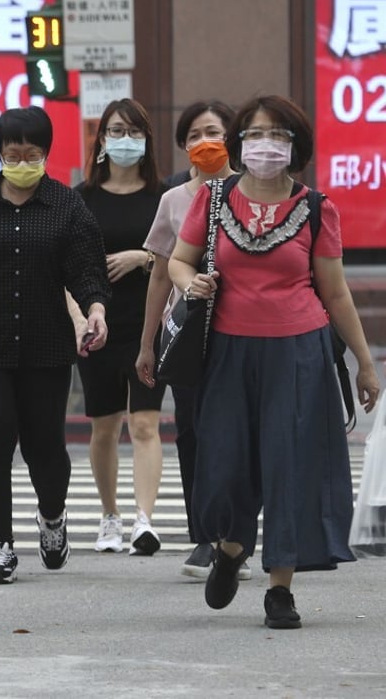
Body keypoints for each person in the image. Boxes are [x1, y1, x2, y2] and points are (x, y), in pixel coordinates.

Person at [166, 94, 380, 629]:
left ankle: (280, 590)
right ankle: (232, 548)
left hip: (299, 352)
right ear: (239, 142)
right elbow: (177, 259)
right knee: (225, 463)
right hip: (227, 352)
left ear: (296, 147)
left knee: (291, 467)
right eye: (257, 134)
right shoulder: (213, 200)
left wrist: (365, 363)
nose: (267, 144)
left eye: (279, 135)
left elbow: (335, 292)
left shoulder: (315, 208)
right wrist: (187, 281)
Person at [0, 106, 110, 585]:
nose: (21, 162)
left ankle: (53, 517)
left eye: (32, 153)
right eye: (12, 154)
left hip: (46, 346)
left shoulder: (67, 205)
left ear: (45, 154)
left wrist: (95, 308)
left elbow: (86, 270)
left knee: (45, 447)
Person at [134, 100, 253, 579]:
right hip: (186, 335)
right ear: (184, 145)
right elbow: (160, 276)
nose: (205, 142)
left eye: (214, 132)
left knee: (238, 436)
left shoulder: (255, 193)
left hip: (241, 330)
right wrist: (147, 343)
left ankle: (237, 536)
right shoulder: (173, 200)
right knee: (194, 434)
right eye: (194, 135)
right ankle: (205, 536)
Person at [75, 99, 167, 556]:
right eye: (116, 131)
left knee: (146, 423)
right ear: (102, 139)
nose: (125, 140)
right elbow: (69, 264)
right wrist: (82, 319)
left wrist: (142, 257)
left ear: (147, 140)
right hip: (99, 326)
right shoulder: (82, 198)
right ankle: (109, 516)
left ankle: (143, 520)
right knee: (105, 426)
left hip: (149, 327)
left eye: (134, 131)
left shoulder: (163, 197)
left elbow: (182, 256)